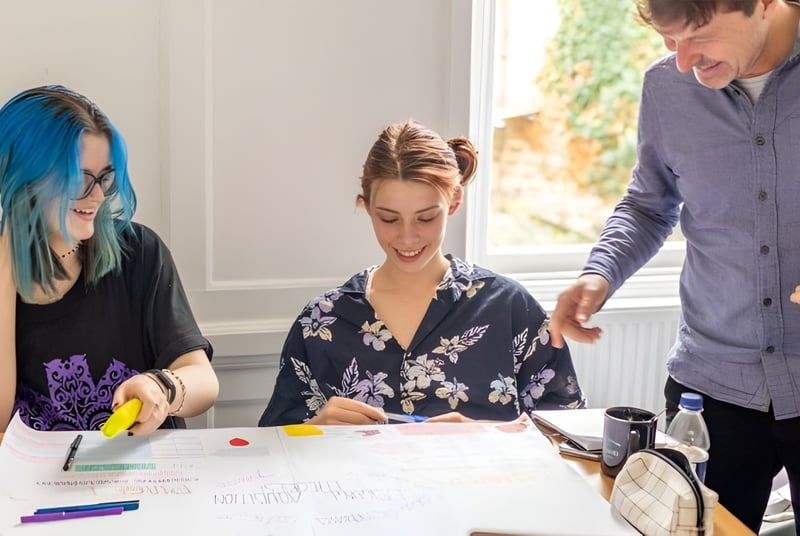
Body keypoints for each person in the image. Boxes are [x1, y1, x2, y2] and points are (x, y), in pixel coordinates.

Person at [549, 1, 800, 533]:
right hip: (711, 388)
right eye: (669, 40)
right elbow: (648, 203)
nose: (684, 61)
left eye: (700, 36)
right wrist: (600, 272)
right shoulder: (666, 89)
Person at [259, 120, 585, 427]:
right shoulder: (322, 321)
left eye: (426, 218)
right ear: (367, 206)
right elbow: (272, 448)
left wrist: (488, 436)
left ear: (454, 201)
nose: (407, 237)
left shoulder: (508, 308)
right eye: (389, 219)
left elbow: (568, 431)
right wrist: (316, 428)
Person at [0, 85, 219, 435]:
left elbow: (204, 381)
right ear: (22, 180)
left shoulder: (140, 251)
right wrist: (6, 269)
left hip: (149, 478)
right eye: (80, 179)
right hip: (44, 484)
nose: (98, 196)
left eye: (104, 177)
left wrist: (162, 387)